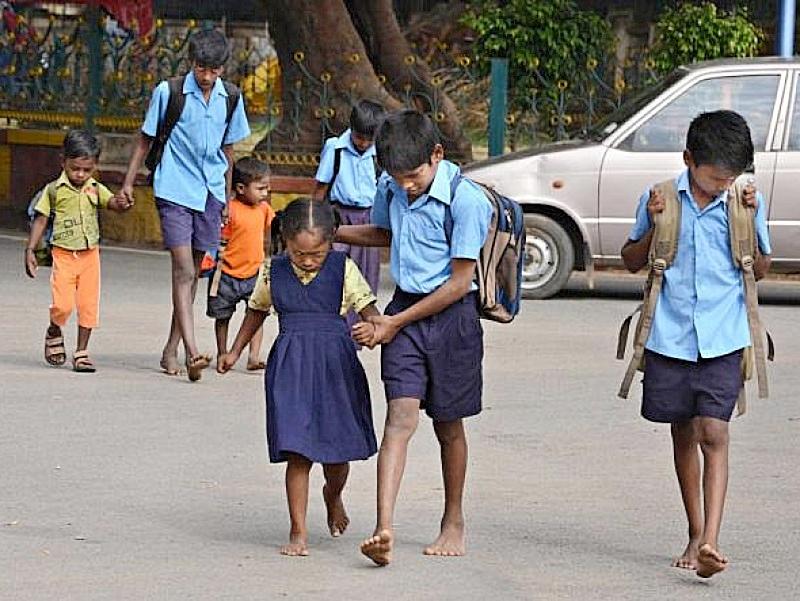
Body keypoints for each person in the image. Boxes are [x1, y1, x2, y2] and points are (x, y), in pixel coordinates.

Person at [335, 109, 493, 565]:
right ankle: (383, 528)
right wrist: (333, 233)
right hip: (404, 310)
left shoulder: (466, 202)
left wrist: (393, 323)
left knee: (448, 426)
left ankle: (454, 520)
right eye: (395, 176)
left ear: (437, 156)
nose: (405, 185)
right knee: (399, 420)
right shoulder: (392, 188)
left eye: (413, 175)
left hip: (451, 318)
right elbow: (384, 231)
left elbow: (460, 282)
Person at [620, 110, 771, 579]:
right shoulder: (659, 198)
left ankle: (711, 540)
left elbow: (761, 269)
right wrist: (649, 225)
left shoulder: (745, 201)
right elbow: (630, 261)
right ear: (688, 160)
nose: (720, 187)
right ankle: (693, 529)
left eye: (729, 179)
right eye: (712, 180)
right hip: (668, 339)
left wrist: (745, 222)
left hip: (725, 338)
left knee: (715, 432)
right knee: (683, 432)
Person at [219, 198, 379, 557]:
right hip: (290, 368)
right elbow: (257, 311)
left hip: (336, 367)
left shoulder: (344, 268)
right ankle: (298, 531)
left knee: (338, 456)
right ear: (285, 242)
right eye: (299, 253)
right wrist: (234, 351)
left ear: (332, 243)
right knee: (298, 451)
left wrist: (372, 329)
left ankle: (333, 494)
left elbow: (372, 312)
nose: (307, 261)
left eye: (317, 254)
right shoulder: (272, 271)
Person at [120, 28, 250, 382]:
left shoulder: (232, 99)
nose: (206, 77)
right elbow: (145, 141)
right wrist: (129, 183)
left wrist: (226, 197)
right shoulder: (169, 92)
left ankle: (170, 348)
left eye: (213, 70)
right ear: (191, 63)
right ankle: (193, 350)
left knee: (194, 273)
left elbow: (228, 151)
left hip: (210, 193)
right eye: (201, 69)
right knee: (183, 270)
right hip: (174, 188)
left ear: (223, 68)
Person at [24, 129, 132, 372]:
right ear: (63, 162)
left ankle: (82, 352)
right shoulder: (53, 190)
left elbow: (112, 203)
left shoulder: (95, 188)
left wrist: (122, 202)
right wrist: (30, 249)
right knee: (62, 305)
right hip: (63, 254)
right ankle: (55, 327)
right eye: (75, 169)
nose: (81, 174)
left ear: (94, 166)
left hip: (90, 255)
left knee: (88, 305)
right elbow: (40, 219)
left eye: (87, 169)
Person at [313, 100, 385, 304]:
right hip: (339, 217)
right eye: (359, 137)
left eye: (368, 139)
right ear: (351, 129)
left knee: (366, 276)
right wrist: (315, 220)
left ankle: (362, 328)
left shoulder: (378, 153)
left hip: (369, 219)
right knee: (337, 273)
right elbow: (321, 188)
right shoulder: (335, 148)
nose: (363, 143)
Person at [206, 157, 274, 372]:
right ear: (241, 188)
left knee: (257, 314)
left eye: (267, 188)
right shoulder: (230, 210)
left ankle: (253, 356)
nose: (265, 193)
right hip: (225, 272)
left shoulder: (264, 209)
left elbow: (274, 228)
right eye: (261, 188)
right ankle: (222, 353)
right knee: (222, 316)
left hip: (255, 271)